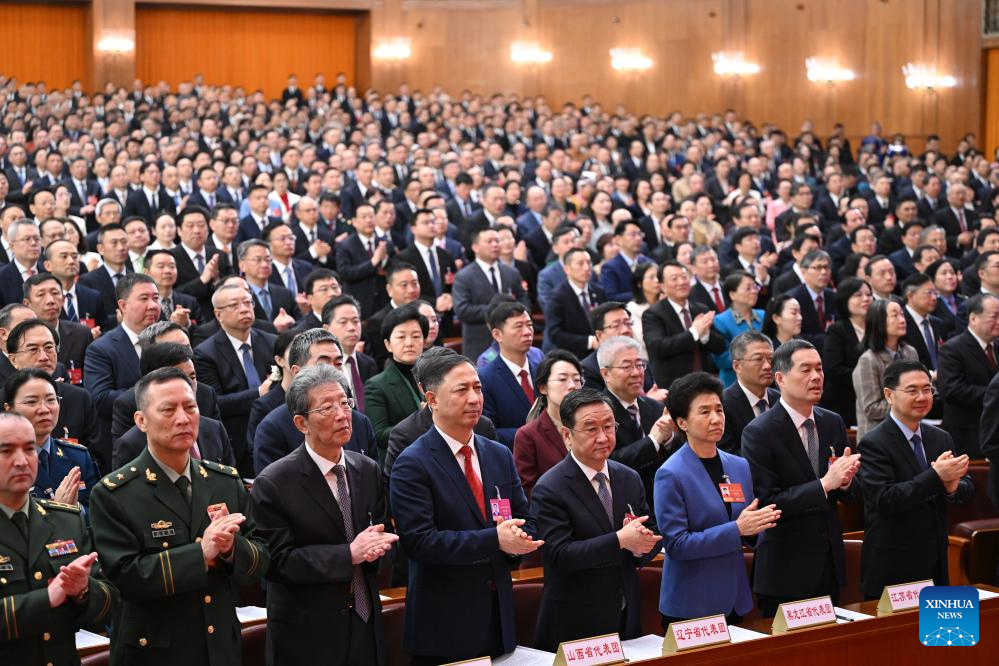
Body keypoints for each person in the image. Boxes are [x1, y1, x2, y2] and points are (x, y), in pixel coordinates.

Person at [90, 367, 270, 666]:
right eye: (168, 410)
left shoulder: (223, 480)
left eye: (190, 407)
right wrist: (200, 553)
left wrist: (228, 550)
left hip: (219, 648)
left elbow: (260, 558)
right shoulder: (114, 493)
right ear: (141, 421)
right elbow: (124, 578)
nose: (183, 419)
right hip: (156, 652)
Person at [390, 351, 541, 664]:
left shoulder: (498, 454)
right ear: (431, 399)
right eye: (461, 390)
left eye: (478, 388)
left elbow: (527, 521)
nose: (474, 398)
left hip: (498, 617)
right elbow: (419, 542)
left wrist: (517, 542)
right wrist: (495, 539)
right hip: (444, 626)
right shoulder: (413, 463)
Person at [250, 365, 399, 665]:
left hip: (365, 619)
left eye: (345, 403)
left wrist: (380, 548)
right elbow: (276, 562)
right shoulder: (275, 482)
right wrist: (349, 554)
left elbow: (379, 533)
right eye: (327, 408)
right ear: (301, 423)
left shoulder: (366, 469)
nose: (342, 415)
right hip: (309, 634)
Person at [531, 388, 663, 651]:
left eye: (609, 426)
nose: (603, 437)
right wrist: (619, 541)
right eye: (591, 428)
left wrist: (643, 546)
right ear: (567, 435)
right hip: (575, 620)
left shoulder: (628, 477)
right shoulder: (550, 487)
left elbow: (649, 531)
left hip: (626, 613)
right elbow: (558, 555)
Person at [742, 340, 861, 617]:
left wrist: (845, 482)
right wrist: (825, 484)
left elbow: (851, 493)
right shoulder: (759, 431)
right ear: (780, 378)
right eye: (805, 369)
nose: (817, 376)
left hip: (828, 563)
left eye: (819, 368)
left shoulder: (832, 421)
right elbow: (768, 503)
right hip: (785, 570)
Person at [656, 373, 780, 625]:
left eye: (719, 410)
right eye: (704, 412)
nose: (716, 418)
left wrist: (755, 530)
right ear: (682, 422)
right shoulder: (670, 473)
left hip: (734, 597)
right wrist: (737, 529)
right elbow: (677, 545)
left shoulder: (738, 465)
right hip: (692, 602)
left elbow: (746, 524)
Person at [0, 412, 115, 665]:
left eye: (29, 449)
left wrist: (83, 592)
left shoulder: (65, 520)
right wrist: (46, 599)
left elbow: (110, 601)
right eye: (6, 451)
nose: (21, 461)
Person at [858, 360, 974, 599]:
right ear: (889, 395)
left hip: (936, 559)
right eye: (912, 390)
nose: (922, 396)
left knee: (942, 635)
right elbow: (885, 499)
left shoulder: (941, 438)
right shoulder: (874, 443)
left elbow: (967, 487)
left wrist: (952, 487)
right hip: (893, 563)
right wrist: (936, 477)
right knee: (898, 636)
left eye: (928, 389)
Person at [253, 328, 377, 474]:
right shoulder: (273, 428)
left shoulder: (359, 422)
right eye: (323, 365)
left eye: (338, 364)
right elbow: (273, 488)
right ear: (297, 373)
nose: (333, 373)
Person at [194, 283, 277, 475]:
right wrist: (258, 393)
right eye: (235, 305)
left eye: (248, 302)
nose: (244, 308)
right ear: (218, 314)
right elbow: (215, 403)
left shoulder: (271, 341)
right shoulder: (206, 353)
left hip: (271, 430)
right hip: (236, 437)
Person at [112, 341, 235, 469]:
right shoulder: (131, 444)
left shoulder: (215, 429)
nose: (188, 385)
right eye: (168, 409)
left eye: (192, 377)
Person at [83, 273, 162, 469]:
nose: (152, 305)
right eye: (144, 298)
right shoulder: (102, 348)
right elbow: (100, 398)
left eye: (156, 298)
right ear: (123, 305)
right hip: (128, 443)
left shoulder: (170, 339)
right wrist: (156, 395)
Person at [4, 368, 100, 510]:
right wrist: (60, 510)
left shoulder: (78, 456)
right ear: (10, 409)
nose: (44, 409)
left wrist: (75, 509)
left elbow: (98, 513)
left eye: (51, 400)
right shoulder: (4, 463)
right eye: (32, 402)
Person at [599, 336, 676, 502]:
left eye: (640, 365)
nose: (636, 372)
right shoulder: (598, 412)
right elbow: (607, 461)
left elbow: (677, 458)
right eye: (627, 366)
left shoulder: (655, 407)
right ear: (606, 374)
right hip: (622, 499)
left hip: (662, 496)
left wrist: (669, 438)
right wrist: (653, 440)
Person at [452, 227, 531, 361]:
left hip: (512, 344)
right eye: (489, 241)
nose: (495, 244)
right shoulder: (464, 276)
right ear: (475, 247)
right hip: (479, 343)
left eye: (497, 240)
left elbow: (525, 302)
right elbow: (463, 310)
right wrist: (501, 312)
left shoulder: (512, 272)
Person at [643, 261, 725, 388]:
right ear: (663, 286)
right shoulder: (653, 314)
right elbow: (658, 347)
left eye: (684, 277)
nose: (681, 282)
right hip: (673, 385)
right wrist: (694, 332)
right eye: (674, 279)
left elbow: (720, 346)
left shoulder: (700, 308)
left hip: (705, 380)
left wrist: (705, 335)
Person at [937, 294, 999, 458]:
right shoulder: (953, 349)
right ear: (973, 318)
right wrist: (994, 395)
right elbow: (952, 390)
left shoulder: (997, 347)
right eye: (994, 316)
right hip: (967, 434)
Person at [513, 350, 582, 499]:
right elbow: (528, 491)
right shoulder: (528, 435)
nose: (572, 386)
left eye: (577, 380)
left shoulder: (589, 427)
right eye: (562, 379)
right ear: (543, 387)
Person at [364, 303, 427, 462]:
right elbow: (379, 435)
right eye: (401, 337)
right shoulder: (377, 385)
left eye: (416, 336)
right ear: (388, 344)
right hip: (402, 461)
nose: (409, 343)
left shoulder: (436, 377)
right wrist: (422, 419)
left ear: (424, 341)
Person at [854, 299, 919, 438]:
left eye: (902, 314)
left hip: (909, 432)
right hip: (877, 437)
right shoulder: (868, 360)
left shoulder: (910, 352)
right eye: (895, 315)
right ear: (879, 322)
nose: (902, 320)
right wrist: (906, 402)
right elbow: (871, 409)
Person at [480, 301, 539, 448]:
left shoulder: (542, 370)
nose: (527, 332)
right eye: (519, 326)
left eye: (529, 325)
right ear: (497, 334)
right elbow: (487, 432)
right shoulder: (485, 378)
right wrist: (533, 433)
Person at [821, 278, 872, 427]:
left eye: (868, 294)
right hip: (843, 402)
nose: (865, 299)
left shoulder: (877, 329)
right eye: (858, 295)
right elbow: (833, 369)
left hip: (871, 399)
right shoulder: (837, 330)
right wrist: (868, 378)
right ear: (845, 300)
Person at [718, 331, 780, 455]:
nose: (768, 366)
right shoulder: (722, 404)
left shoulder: (781, 399)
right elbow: (726, 454)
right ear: (737, 366)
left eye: (771, 358)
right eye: (758, 359)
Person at [543, 247, 606, 359]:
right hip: (570, 356)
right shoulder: (557, 296)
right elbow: (555, 334)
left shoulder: (599, 291)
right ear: (567, 269)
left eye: (588, 262)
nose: (586, 268)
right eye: (580, 264)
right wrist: (589, 341)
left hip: (600, 354)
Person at [336, 203, 393, 319]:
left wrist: (384, 259)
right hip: (359, 302)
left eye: (371, 216)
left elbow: (392, 270)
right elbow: (346, 273)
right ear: (355, 221)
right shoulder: (345, 245)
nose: (368, 220)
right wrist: (373, 261)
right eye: (364, 217)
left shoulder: (385, 242)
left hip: (383, 302)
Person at [322, 294, 377, 408]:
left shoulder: (369, 363)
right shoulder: (322, 367)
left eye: (356, 321)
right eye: (343, 322)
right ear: (326, 329)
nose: (352, 327)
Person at [711, 271, 765, 386]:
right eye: (748, 288)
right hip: (733, 383)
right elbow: (722, 359)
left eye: (755, 287)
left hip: (764, 381)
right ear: (732, 295)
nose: (754, 291)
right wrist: (753, 359)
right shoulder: (720, 321)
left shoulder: (762, 315)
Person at [364, 262, 422, 367]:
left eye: (414, 283)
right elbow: (381, 362)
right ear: (389, 290)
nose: (411, 290)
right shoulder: (377, 321)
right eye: (404, 285)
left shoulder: (426, 313)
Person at [78, 223, 133, 331]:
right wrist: (116, 319)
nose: (121, 247)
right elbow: (87, 319)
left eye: (124, 242)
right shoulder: (88, 281)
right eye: (114, 243)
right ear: (100, 249)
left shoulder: (137, 279)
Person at [786, 249, 835, 349]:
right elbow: (794, 335)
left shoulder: (832, 296)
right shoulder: (793, 298)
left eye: (826, 267)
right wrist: (831, 339)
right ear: (803, 271)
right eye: (817, 267)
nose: (824, 272)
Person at [599, 220, 654, 302]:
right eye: (633, 235)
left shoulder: (649, 262)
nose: (638, 238)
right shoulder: (610, 267)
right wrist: (644, 293)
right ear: (618, 239)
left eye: (640, 234)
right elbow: (611, 296)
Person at [627, 262, 661, 361]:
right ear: (639, 283)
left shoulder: (666, 302)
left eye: (658, 276)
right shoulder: (632, 308)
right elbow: (642, 340)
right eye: (651, 277)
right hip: (648, 359)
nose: (657, 280)